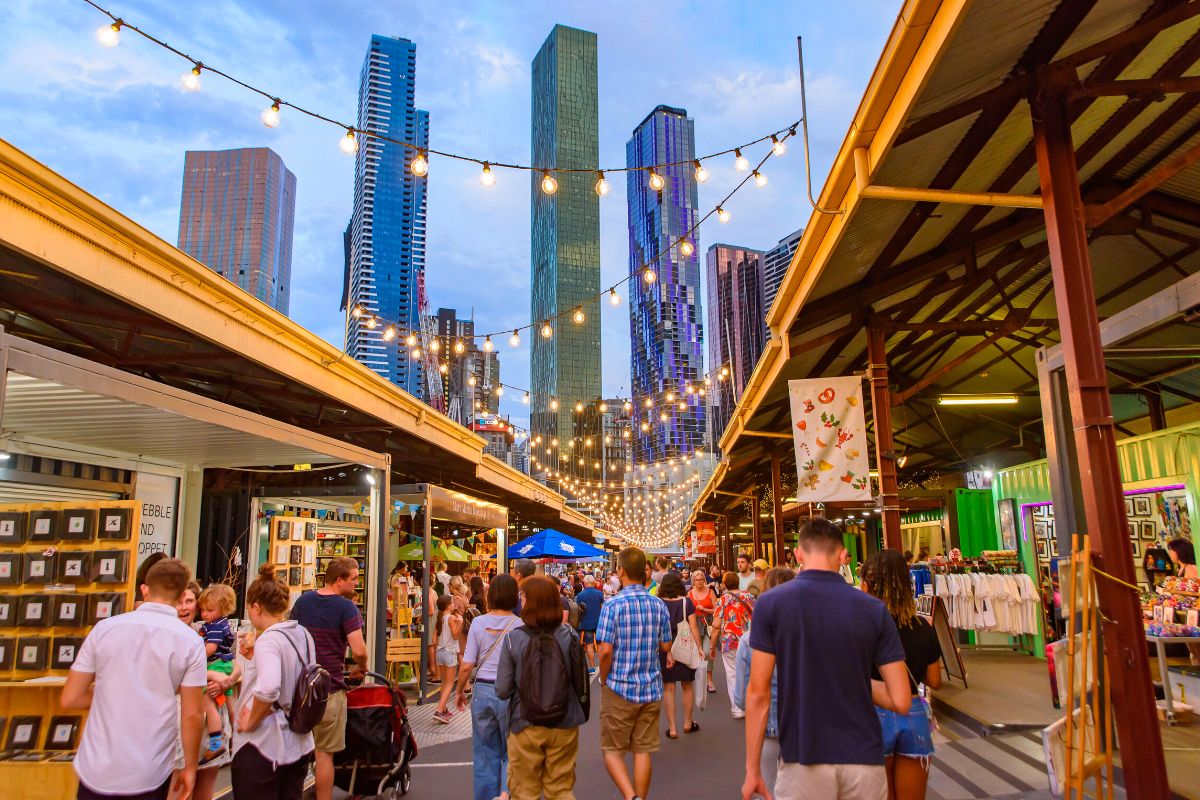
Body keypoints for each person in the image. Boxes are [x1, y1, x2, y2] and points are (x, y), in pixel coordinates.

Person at [742, 518, 912, 800]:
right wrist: (852, 680)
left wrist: (752, 769)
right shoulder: (873, 609)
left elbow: (758, 693)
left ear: (798, 554)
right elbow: (901, 700)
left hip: (803, 757)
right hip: (865, 759)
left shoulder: (771, 604)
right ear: (843, 555)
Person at [62, 558, 206, 800]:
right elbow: (192, 714)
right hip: (149, 767)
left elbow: (70, 698)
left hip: (96, 767)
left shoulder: (105, 629)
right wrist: (190, 767)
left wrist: (113, 694)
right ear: (183, 596)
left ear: (144, 589)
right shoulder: (189, 641)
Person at [496, 575, 589, 800]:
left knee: (524, 792)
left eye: (522, 596)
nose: (521, 600)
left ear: (528, 600)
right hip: (565, 722)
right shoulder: (570, 636)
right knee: (561, 790)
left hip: (524, 723)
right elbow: (581, 682)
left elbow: (502, 689)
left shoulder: (513, 639)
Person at [859, 550, 942, 800]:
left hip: (871, 713)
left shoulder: (859, 627)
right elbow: (934, 681)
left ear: (866, 584)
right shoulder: (921, 626)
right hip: (913, 714)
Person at [231, 563, 316, 798]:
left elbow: (269, 688)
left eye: (248, 608)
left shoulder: (269, 640)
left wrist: (251, 721)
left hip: (265, 745)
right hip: (299, 741)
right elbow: (297, 676)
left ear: (256, 607)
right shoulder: (302, 634)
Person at [597, 547, 674, 800]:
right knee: (643, 750)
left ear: (621, 570)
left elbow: (605, 650)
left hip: (619, 686)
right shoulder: (658, 605)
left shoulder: (612, 605)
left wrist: (604, 678)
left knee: (612, 750)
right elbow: (665, 646)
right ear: (645, 571)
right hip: (650, 686)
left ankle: (631, 797)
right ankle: (640, 796)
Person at [290, 556, 368, 800]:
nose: (357, 583)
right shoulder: (346, 608)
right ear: (339, 580)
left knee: (297, 753)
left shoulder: (303, 602)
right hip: (330, 688)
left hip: (300, 689)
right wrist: (361, 667)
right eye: (354, 578)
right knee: (325, 754)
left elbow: (291, 637)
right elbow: (359, 650)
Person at [456, 574, 520, 800]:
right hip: (511, 692)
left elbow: (467, 664)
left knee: (484, 752)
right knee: (511, 750)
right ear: (515, 597)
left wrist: (459, 691)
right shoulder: (520, 625)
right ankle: (506, 794)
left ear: (490, 595)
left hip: (482, 690)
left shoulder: (479, 623)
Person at [176, 581, 239, 800]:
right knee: (179, 787)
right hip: (182, 720)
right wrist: (212, 676)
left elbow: (234, 663)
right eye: (179, 602)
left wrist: (228, 679)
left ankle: (226, 740)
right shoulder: (172, 635)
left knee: (205, 790)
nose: (184, 608)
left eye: (190, 601)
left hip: (211, 719)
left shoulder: (205, 631)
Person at [734, 567, 794, 799]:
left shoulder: (749, 640)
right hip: (804, 728)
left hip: (767, 730)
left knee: (766, 789)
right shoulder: (810, 634)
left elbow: (740, 697)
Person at [657, 572, 700, 739]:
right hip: (684, 645)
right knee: (687, 686)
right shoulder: (686, 602)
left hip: (665, 646)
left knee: (669, 688)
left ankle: (672, 728)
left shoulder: (659, 603)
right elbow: (694, 626)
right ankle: (688, 722)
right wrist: (699, 647)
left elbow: (658, 627)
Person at [711, 571, 755, 718]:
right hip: (750, 640)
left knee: (732, 674)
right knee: (749, 673)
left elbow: (716, 625)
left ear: (724, 584)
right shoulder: (748, 597)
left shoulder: (723, 600)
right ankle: (750, 706)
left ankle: (737, 709)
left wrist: (712, 646)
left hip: (730, 641)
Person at [433, 595, 463, 723]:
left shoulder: (439, 619)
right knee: (450, 684)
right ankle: (439, 710)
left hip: (440, 652)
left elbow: (434, 640)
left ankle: (444, 708)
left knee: (443, 683)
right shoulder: (451, 618)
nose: (453, 605)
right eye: (452, 603)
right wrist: (460, 622)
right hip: (450, 652)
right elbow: (455, 636)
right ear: (447, 606)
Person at [688, 569, 718, 693]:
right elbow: (686, 609)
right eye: (696, 580)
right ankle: (698, 678)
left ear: (704, 580)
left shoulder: (710, 592)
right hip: (694, 624)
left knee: (706, 651)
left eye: (701, 579)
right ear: (693, 581)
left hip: (708, 624)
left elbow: (717, 610)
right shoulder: (689, 593)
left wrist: (705, 609)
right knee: (695, 653)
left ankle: (710, 679)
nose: (699, 582)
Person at [576, 574, 605, 672]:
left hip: (586, 622)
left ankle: (592, 667)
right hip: (598, 622)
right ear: (592, 582)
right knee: (600, 645)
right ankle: (602, 666)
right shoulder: (599, 593)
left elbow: (579, 609)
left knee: (589, 645)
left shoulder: (580, 595)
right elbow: (602, 607)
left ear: (584, 583)